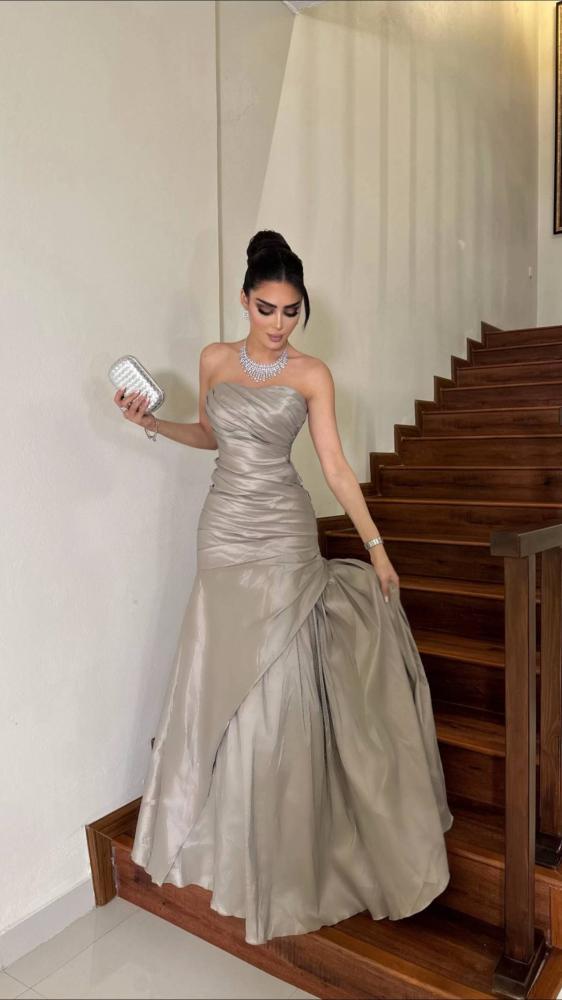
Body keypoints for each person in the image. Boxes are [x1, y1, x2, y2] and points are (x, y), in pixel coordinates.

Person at [113, 230, 454, 947]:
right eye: (266, 308)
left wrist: (377, 548)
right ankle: (224, 836)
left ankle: (286, 848)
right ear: (244, 300)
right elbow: (212, 436)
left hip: (284, 530)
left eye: (291, 311)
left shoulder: (312, 374)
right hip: (223, 530)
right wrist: (153, 424)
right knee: (220, 674)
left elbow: (333, 466)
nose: (277, 324)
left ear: (302, 307)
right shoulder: (213, 359)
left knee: (277, 684)